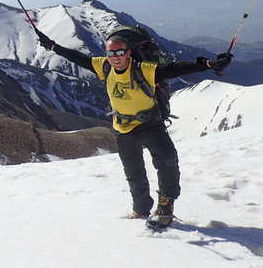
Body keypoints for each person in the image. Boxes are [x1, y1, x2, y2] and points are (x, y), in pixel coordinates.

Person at [34, 28, 232, 230]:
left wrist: (208, 64)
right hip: (121, 128)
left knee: (167, 161)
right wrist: (52, 46)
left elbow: (174, 69)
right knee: (133, 171)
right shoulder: (104, 66)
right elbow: (78, 58)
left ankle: (164, 210)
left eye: (120, 53)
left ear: (128, 53)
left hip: (148, 125)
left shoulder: (143, 69)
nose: (115, 57)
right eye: (111, 53)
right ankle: (140, 210)